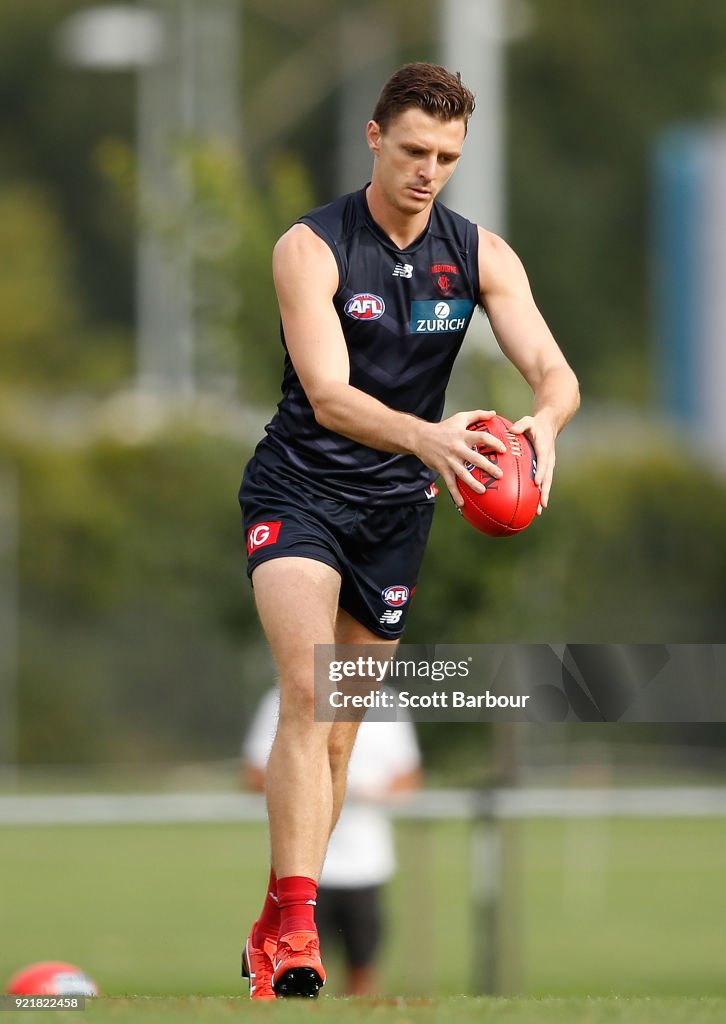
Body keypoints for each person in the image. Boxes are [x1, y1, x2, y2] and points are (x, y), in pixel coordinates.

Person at [238, 62, 580, 1000]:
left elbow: (554, 370)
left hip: (396, 514)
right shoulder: (309, 247)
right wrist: (434, 436)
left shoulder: (479, 254)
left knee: (342, 733)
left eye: (448, 157)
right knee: (312, 694)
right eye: (416, 150)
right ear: (375, 139)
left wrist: (542, 426)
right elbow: (330, 396)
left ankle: (276, 917)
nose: (430, 171)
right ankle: (303, 933)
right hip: (299, 491)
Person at [243, 688, 422, 995]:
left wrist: (367, 791)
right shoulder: (281, 697)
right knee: (296, 973)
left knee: (363, 968)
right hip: (303, 867)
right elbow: (255, 773)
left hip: (366, 864)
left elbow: (409, 776)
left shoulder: (386, 702)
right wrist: (311, 790)